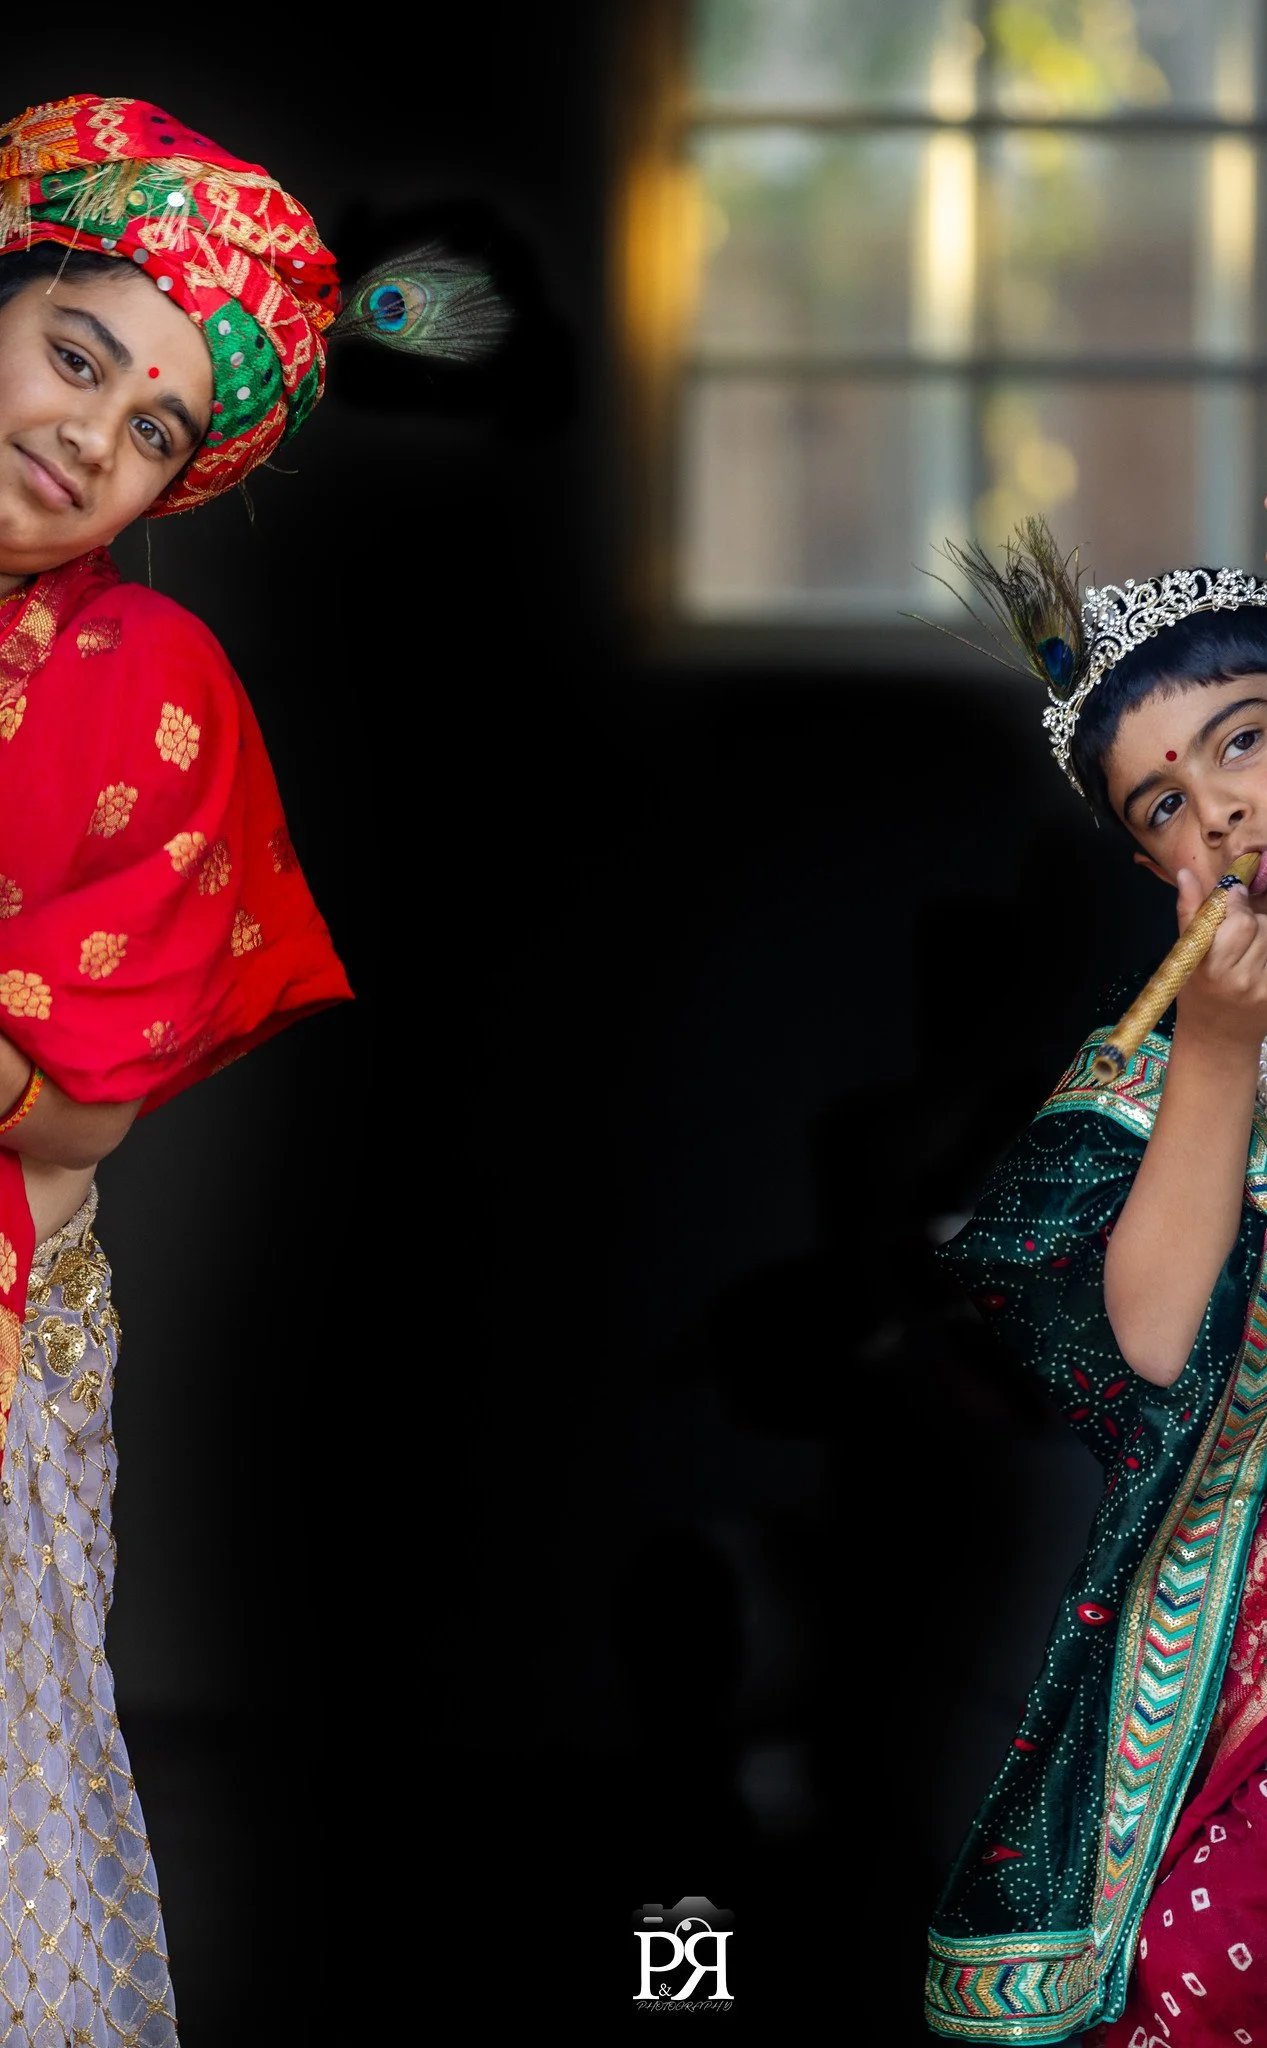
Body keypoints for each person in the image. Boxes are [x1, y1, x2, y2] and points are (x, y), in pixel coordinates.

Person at [0, 92, 505, 2041]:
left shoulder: (148, 687)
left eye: (154, 433)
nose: (92, 439)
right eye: (76, 357)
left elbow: (83, 1111)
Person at [921, 475, 1267, 2043]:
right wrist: (1216, 1056)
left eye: (1242, 739)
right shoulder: (1164, 1076)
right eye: (1161, 807)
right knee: (1208, 1973)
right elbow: (1151, 1350)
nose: (1217, 811)